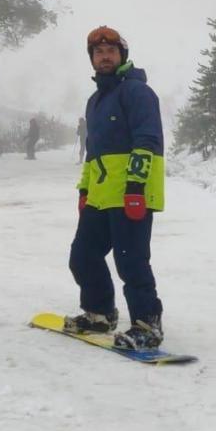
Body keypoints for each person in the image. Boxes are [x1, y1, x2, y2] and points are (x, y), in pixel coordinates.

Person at [64, 26, 167, 350]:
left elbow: (147, 140)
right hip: (100, 196)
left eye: (110, 51)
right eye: (98, 52)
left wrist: (136, 186)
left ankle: (147, 324)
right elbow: (94, 152)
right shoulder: (95, 101)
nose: (104, 56)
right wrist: (84, 190)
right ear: (92, 59)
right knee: (82, 256)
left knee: (131, 260)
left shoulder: (137, 92)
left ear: (122, 54)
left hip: (131, 195)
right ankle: (100, 313)